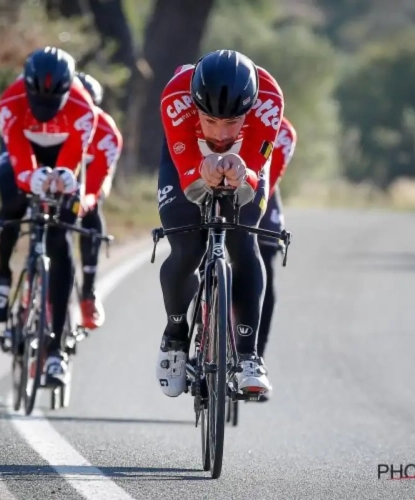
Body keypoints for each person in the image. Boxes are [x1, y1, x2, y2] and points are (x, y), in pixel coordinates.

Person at [155, 49, 284, 398]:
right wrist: (201, 167)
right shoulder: (176, 95)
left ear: (250, 108)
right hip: (186, 154)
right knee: (186, 246)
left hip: (249, 158)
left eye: (231, 122)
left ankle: (248, 356)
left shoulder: (269, 98)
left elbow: (259, 162)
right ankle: (175, 336)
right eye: (210, 121)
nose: (221, 132)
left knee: (244, 243)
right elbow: (183, 164)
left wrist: (247, 172)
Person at [0, 46, 99, 386]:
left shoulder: (84, 110)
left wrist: (63, 177)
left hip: (61, 152)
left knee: (61, 235)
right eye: (39, 100)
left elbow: (73, 157)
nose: (45, 110)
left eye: (53, 102)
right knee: (12, 202)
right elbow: (19, 159)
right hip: (21, 151)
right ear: (27, 88)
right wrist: (32, 179)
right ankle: (3, 274)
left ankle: (54, 350)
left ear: (68, 92)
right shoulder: (9, 104)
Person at [74, 72, 123, 330]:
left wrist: (88, 198)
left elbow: (98, 180)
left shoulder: (106, 132)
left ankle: (88, 293)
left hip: (94, 176)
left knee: (91, 213)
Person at [254, 115, 296, 401]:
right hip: (212, 184)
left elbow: (267, 181)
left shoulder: (282, 132)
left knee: (265, 269)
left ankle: (257, 356)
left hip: (260, 190)